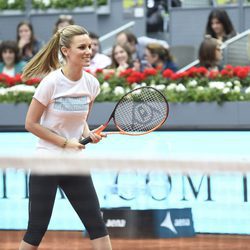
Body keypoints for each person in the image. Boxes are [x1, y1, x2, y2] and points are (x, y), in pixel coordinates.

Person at [19, 25, 112, 250]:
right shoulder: (50, 83)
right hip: (47, 162)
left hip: (74, 164)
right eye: (82, 47)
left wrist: (88, 134)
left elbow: (80, 122)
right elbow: (30, 124)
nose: (88, 51)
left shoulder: (91, 84)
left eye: (89, 46)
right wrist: (64, 142)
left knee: (97, 225)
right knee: (36, 229)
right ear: (65, 51)